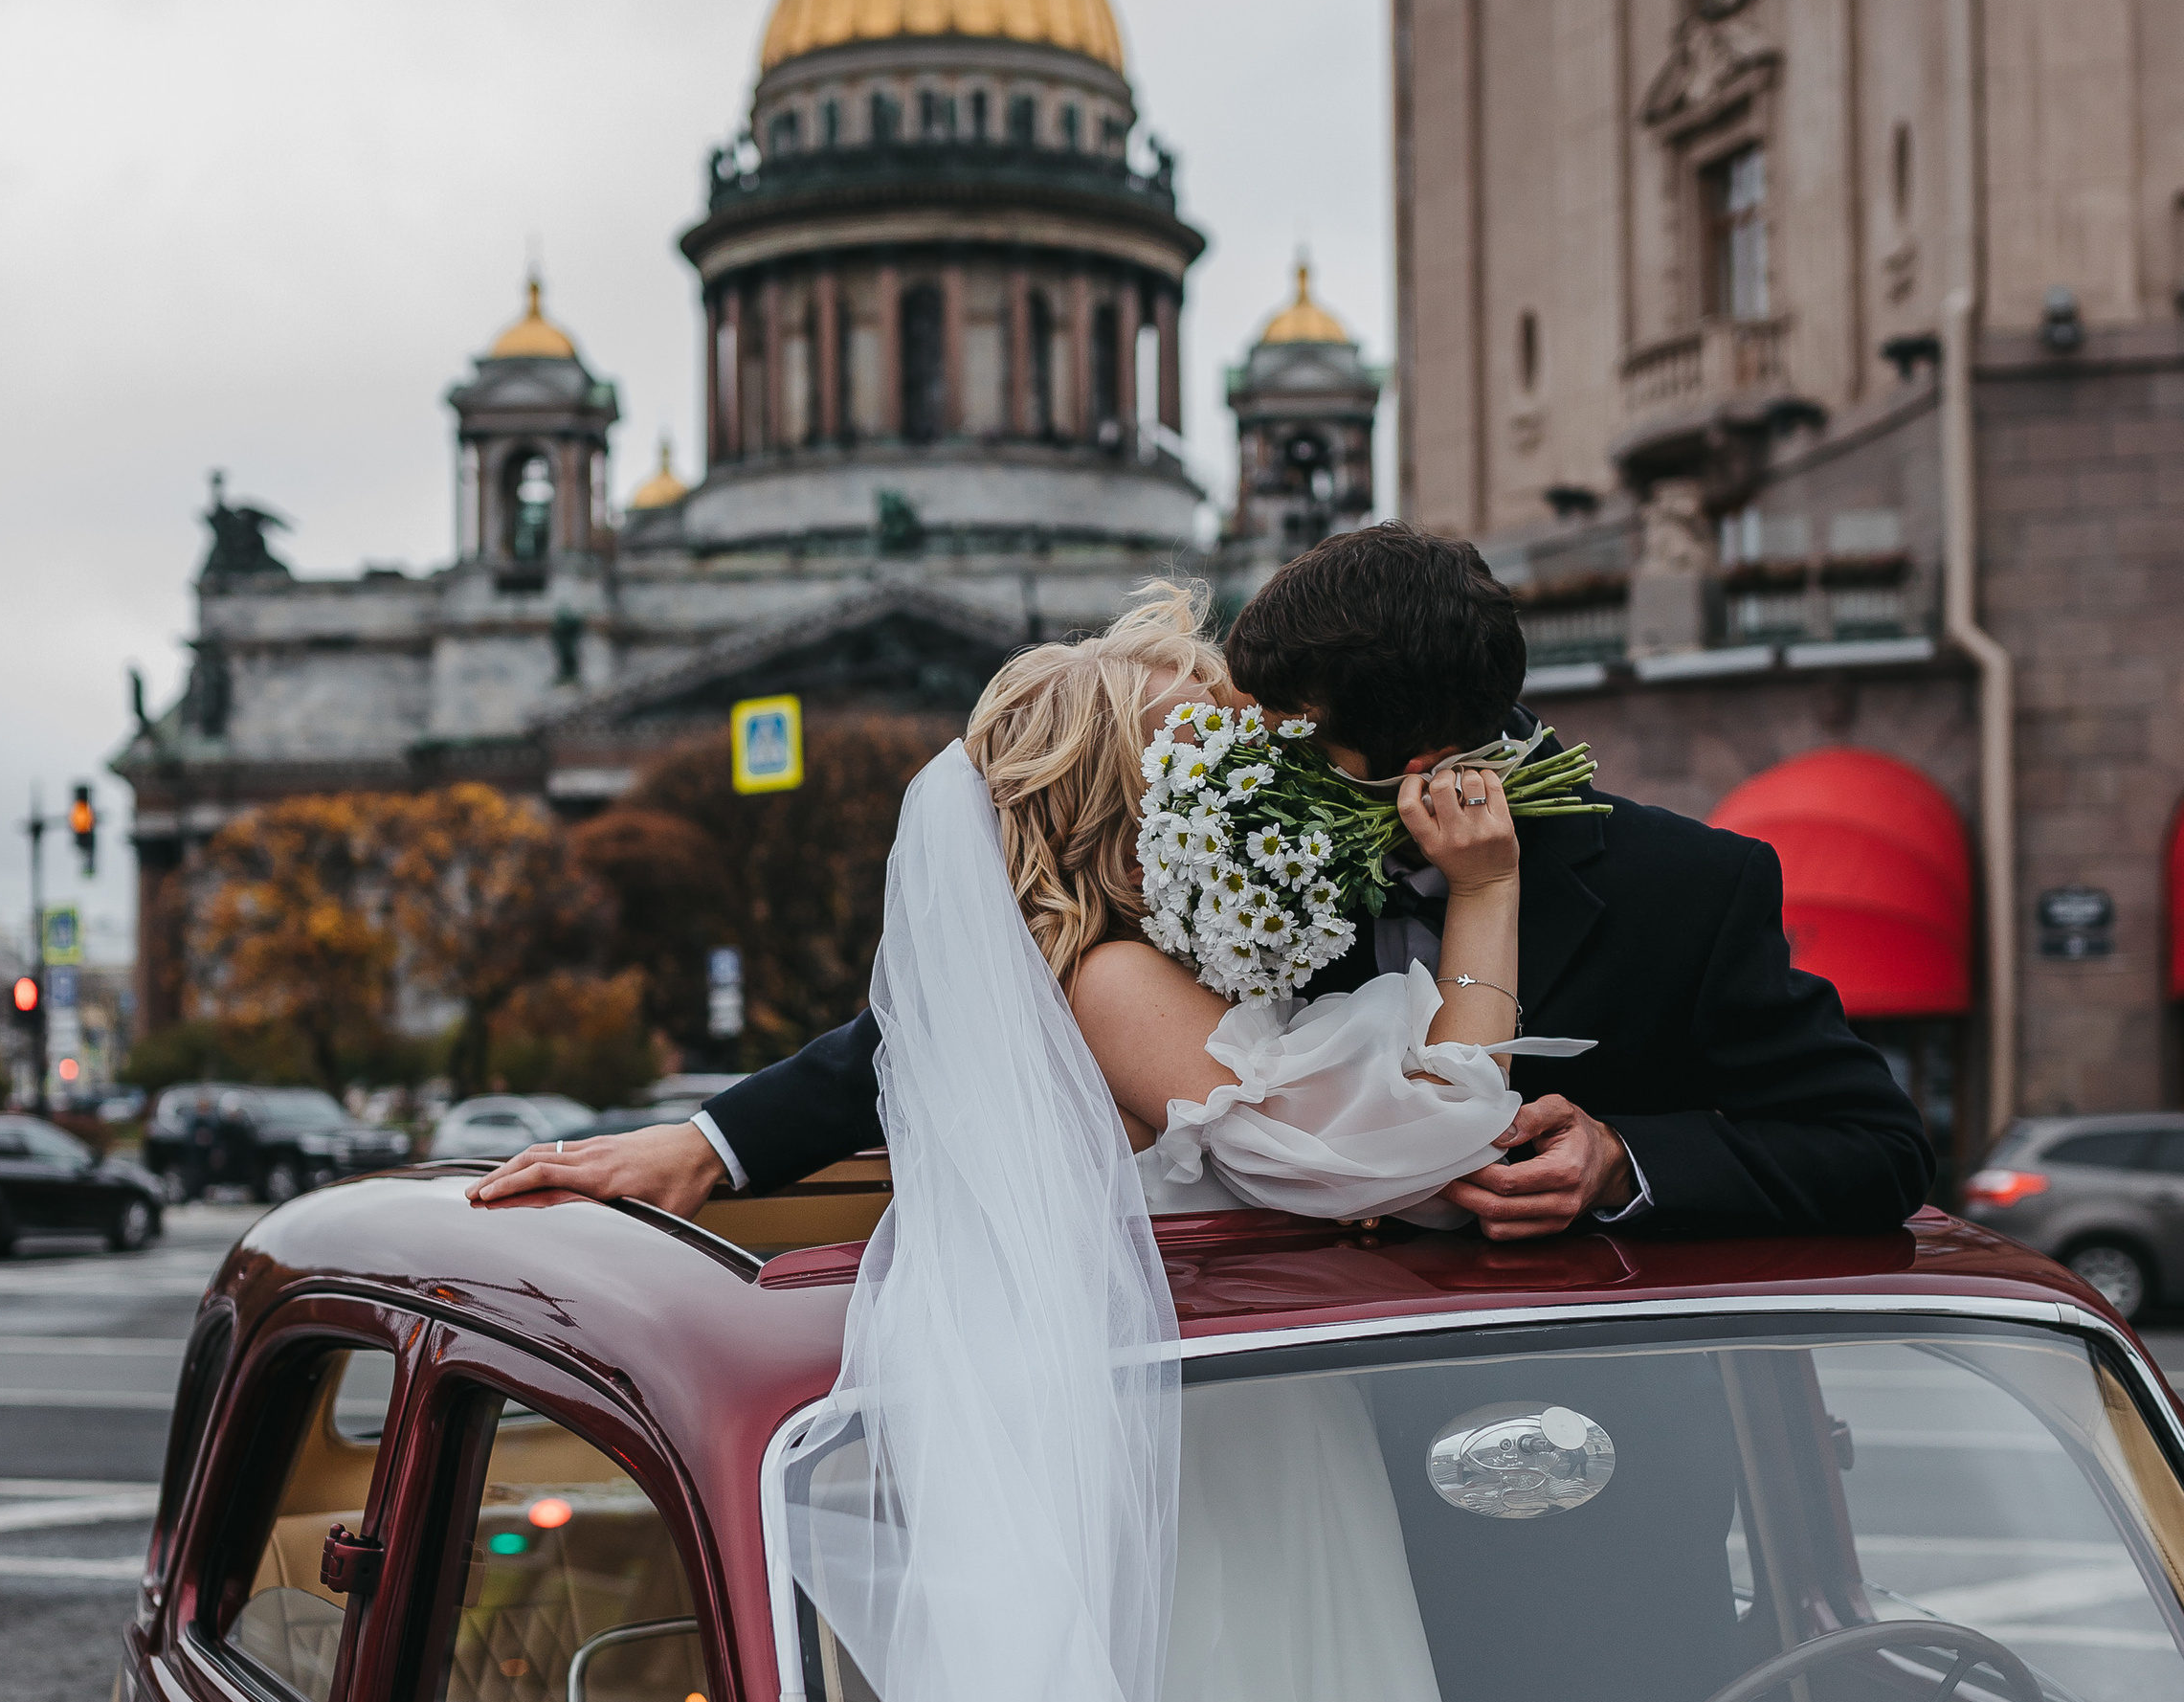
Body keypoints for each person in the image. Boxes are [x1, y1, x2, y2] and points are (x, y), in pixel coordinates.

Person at [434, 594, 1555, 1702]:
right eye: (1208, 747)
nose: (1254, 767)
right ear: (1135, 800)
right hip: (1217, 1477)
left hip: (1246, 1444)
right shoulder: (1109, 978)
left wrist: (708, 1140)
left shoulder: (1109, 973)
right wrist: (1485, 892)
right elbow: (1413, 1137)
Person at [472, 526, 1929, 1243]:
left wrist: (1626, 1164)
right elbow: (997, 994)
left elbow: (1869, 1148)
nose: (1243, 770)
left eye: (1293, 743)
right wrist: (712, 1145)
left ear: (1423, 759)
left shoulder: (1690, 888)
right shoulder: (1223, 851)